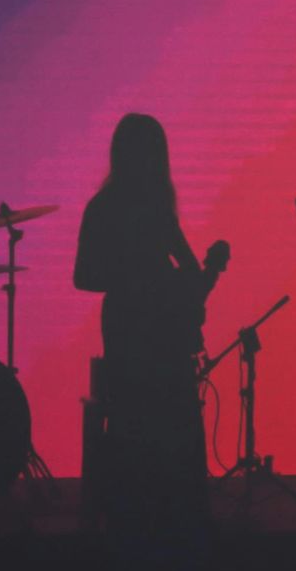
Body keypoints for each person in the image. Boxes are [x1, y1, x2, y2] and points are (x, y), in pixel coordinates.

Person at [74, 113, 228, 542]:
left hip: (139, 323)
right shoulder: (133, 207)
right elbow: (85, 276)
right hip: (145, 325)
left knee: (143, 419)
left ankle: (140, 519)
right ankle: (176, 518)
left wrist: (197, 277)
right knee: (169, 418)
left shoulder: (117, 207)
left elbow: (187, 273)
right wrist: (156, 278)